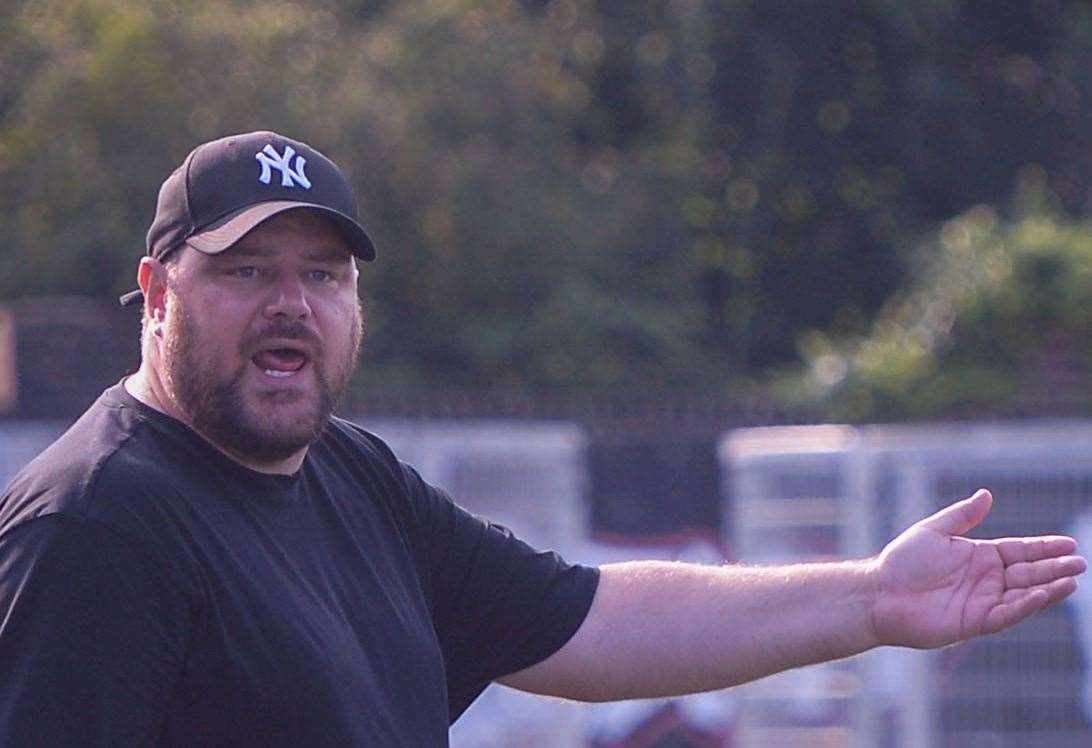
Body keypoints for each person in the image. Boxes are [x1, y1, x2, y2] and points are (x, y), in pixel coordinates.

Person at [0, 131, 1084, 746]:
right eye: (246, 270)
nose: (292, 303)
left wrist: (872, 601)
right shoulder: (98, 523)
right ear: (155, 292)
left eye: (322, 274)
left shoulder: (349, 477)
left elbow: (591, 618)